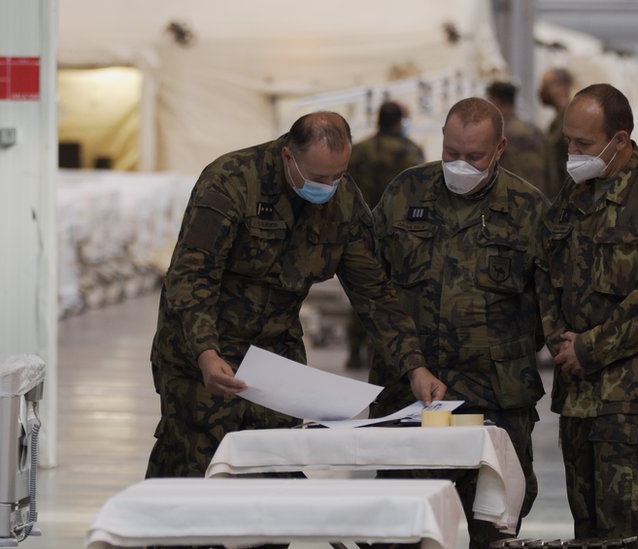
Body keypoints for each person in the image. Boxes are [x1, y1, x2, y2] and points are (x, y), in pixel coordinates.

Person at [146, 111, 446, 481]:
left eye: (338, 176)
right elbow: (192, 277)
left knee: (275, 471)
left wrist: (413, 365)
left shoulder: (344, 201)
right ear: (289, 156)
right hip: (202, 353)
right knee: (196, 471)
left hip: (273, 360)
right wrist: (206, 353)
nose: (330, 186)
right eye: (320, 177)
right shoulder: (231, 182)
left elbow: (375, 294)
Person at [371, 97, 549, 547]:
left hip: (496, 406)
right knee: (403, 531)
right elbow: (374, 290)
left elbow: (550, 306)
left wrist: (496, 353)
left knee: (494, 531)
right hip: (409, 402)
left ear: (500, 148)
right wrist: (410, 361)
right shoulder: (405, 193)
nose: (460, 164)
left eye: (474, 156)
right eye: (452, 153)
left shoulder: (528, 209)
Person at [534, 84, 638, 549]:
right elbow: (546, 269)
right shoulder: (574, 194)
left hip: (634, 390)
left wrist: (590, 347)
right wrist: (559, 343)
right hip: (578, 386)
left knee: (624, 527)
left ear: (620, 140)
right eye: (569, 141)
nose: (572, 152)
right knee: (586, 528)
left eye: (583, 144)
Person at [344, 101, 426, 370]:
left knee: (361, 286)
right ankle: (386, 350)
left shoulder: (358, 151)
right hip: (399, 232)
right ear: (399, 121)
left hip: (360, 228)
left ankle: (355, 350)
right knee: (390, 292)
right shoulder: (409, 150)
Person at [486, 80, 549, 196]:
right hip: (538, 199)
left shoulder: (496, 133)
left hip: (511, 200)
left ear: (495, 99)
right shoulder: (535, 130)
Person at [538, 68, 574, 198]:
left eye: (545, 86)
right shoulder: (557, 121)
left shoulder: (572, 117)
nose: (542, 91)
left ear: (562, 88)